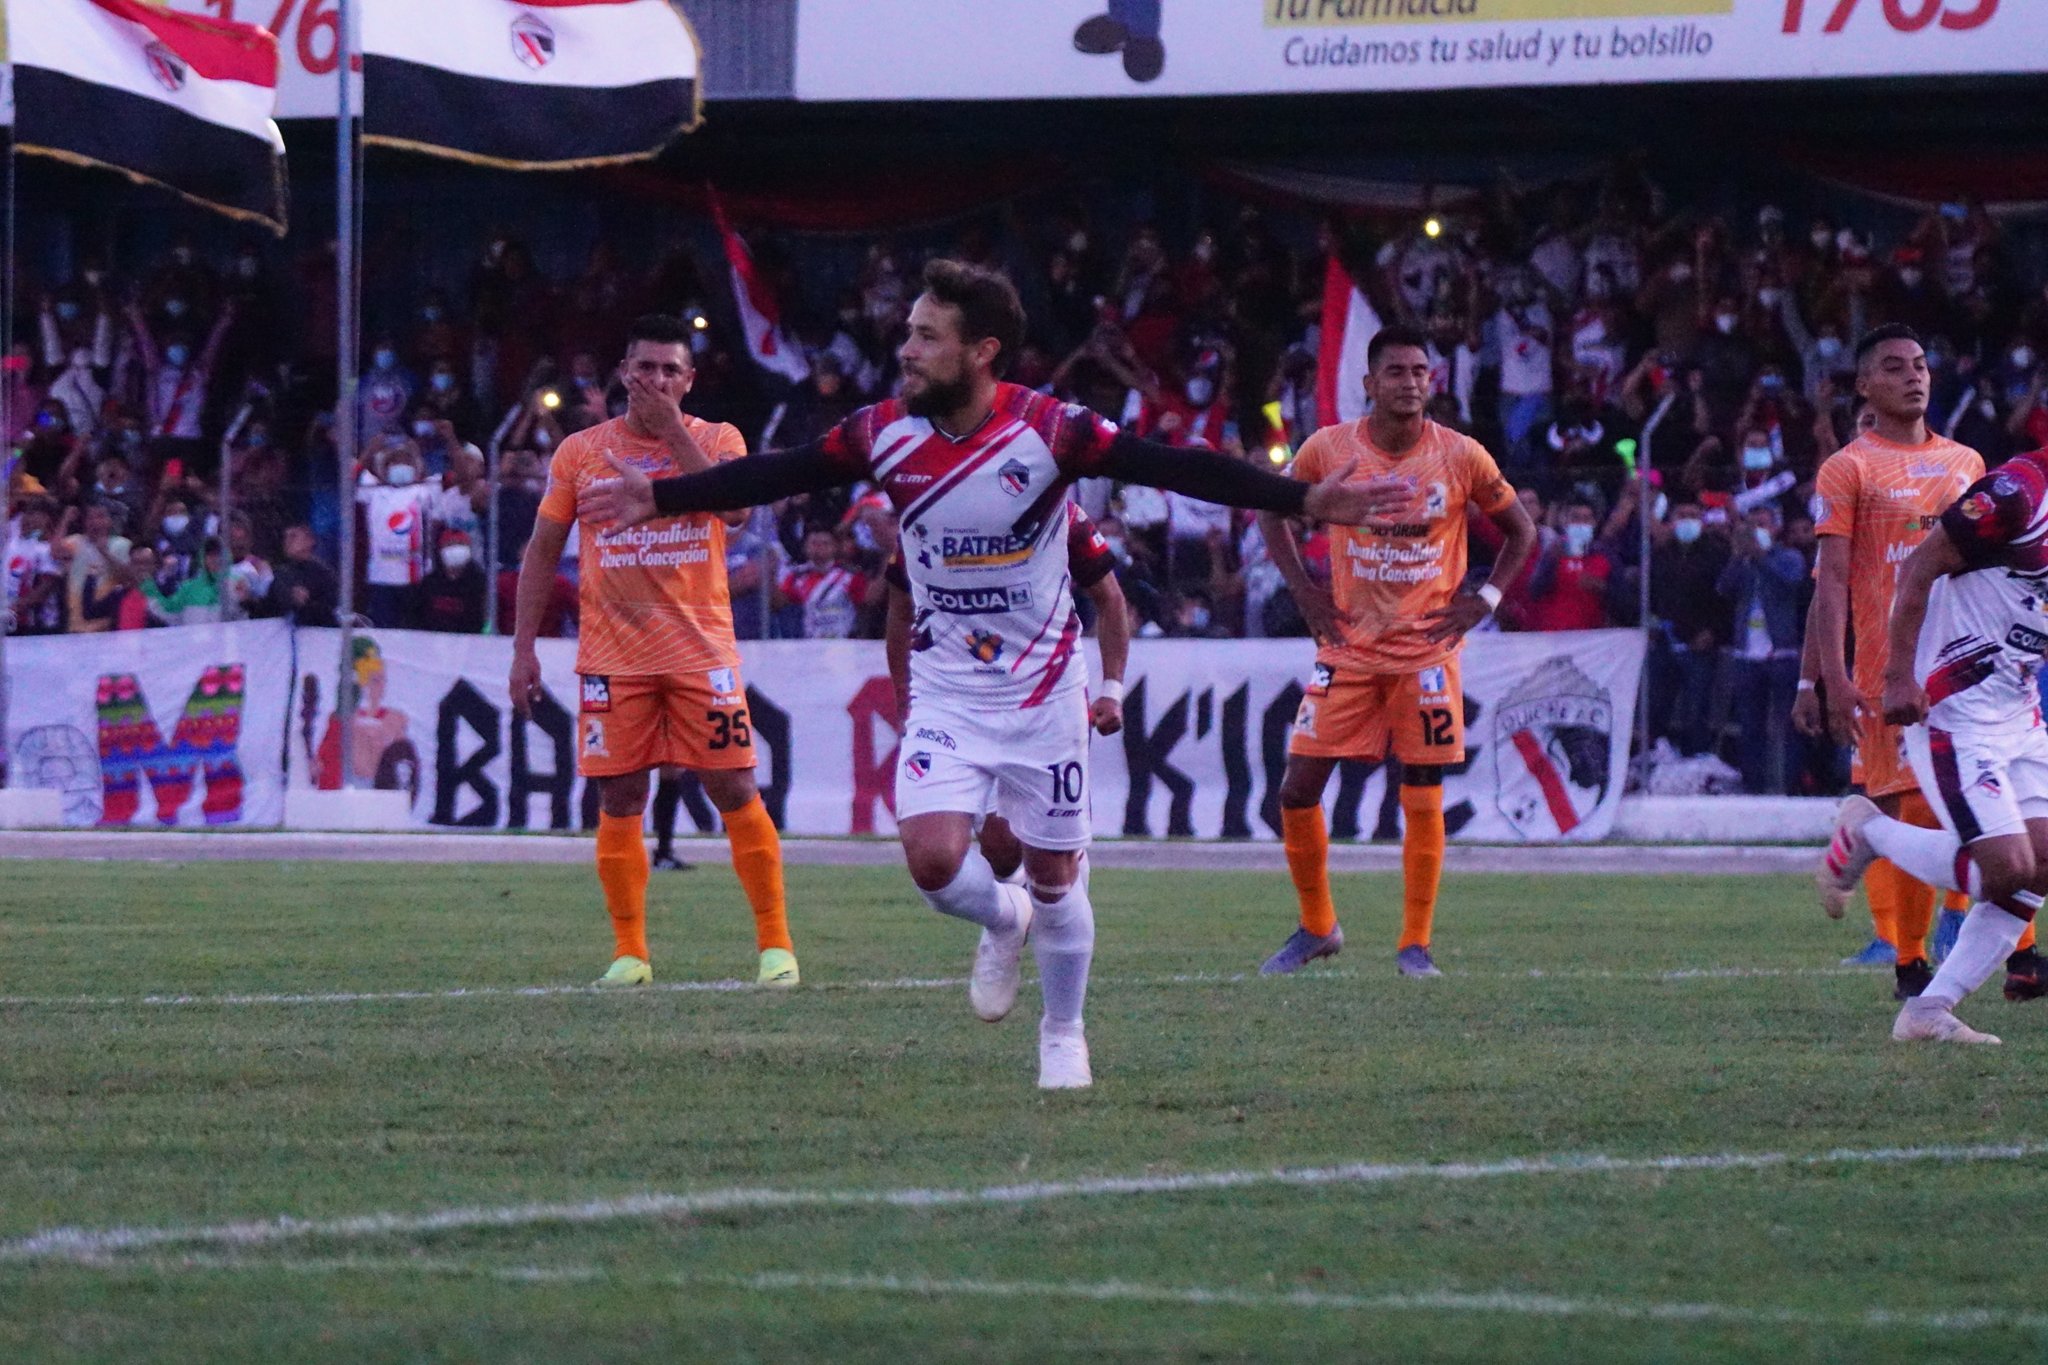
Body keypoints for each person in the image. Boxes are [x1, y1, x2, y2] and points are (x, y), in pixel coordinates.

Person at [578, 259, 1406, 1088]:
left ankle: (1062, 1031)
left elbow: (1170, 464)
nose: (905, 349)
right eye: (907, 332)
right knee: (935, 864)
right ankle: (1000, 916)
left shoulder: (1053, 430)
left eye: (925, 336)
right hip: (950, 687)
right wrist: (669, 497)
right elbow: (783, 470)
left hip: (1046, 691)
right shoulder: (882, 433)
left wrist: (1298, 501)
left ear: (981, 351)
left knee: (1056, 875)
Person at [510, 314, 798, 990]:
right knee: (619, 796)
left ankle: (776, 945)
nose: (658, 380)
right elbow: (542, 549)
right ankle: (630, 953)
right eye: (646, 367)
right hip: (614, 655)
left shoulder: (717, 438)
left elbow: (734, 512)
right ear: (624, 372)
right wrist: (523, 648)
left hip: (701, 650)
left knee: (733, 785)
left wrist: (671, 430)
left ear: (689, 379)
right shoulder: (581, 451)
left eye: (671, 369)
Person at [1255, 326, 1538, 979]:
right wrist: (1303, 589)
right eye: (1397, 371)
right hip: (1348, 649)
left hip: (1426, 653)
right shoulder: (1330, 448)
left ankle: (1415, 943)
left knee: (1422, 786)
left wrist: (1487, 598)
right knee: (1297, 788)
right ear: (1370, 381)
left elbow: (1520, 529)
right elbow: (1272, 509)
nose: (1410, 382)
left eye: (1419, 371)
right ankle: (1318, 925)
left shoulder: (1461, 455)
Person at [1792, 325, 2027, 1000]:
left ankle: (2009, 952)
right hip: (1883, 665)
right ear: (1866, 385)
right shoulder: (1849, 467)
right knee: (1914, 805)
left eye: (1920, 364)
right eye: (1894, 368)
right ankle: (1909, 958)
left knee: (1996, 804)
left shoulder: (1968, 461)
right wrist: (1825, 675)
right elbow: (1829, 581)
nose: (1913, 376)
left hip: (1967, 659)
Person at [1819, 445, 2048, 1044]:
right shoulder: (2016, 493)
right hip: (1953, 705)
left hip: (2019, 711)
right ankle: (1868, 829)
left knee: (2039, 867)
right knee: (2007, 869)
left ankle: (1927, 1009)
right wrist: (1896, 675)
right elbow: (1919, 566)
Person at [883, 501, 1132, 884]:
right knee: (976, 850)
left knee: (1028, 849)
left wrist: (1111, 688)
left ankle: (1050, 893)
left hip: (1043, 698)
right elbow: (900, 611)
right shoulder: (928, 515)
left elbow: (1111, 598)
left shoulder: (1060, 515)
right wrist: (906, 701)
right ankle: (1009, 918)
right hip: (956, 701)